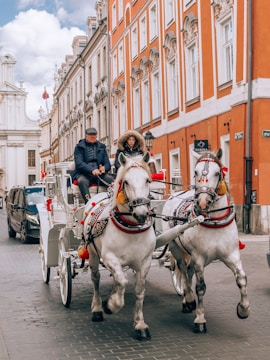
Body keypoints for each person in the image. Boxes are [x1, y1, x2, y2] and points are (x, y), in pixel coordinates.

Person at [71, 127, 114, 203]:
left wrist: (104, 168)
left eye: (94, 135)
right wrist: (91, 170)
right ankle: (88, 202)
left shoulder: (101, 147)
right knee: (82, 181)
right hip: (84, 174)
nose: (93, 136)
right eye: (90, 135)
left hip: (99, 174)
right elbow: (79, 163)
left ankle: (112, 201)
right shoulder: (79, 147)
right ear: (86, 136)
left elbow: (107, 163)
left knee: (111, 180)